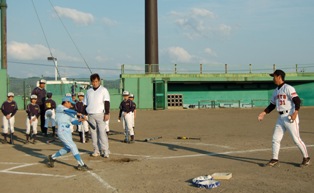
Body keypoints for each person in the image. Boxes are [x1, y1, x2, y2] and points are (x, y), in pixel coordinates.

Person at [258, 69, 310, 167]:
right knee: (275, 138)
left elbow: (297, 101)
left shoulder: (288, 88)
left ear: (279, 77)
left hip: (290, 116)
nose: (273, 78)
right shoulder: (276, 91)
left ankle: (306, 158)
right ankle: (274, 159)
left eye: (274, 76)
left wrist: (295, 113)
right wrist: (264, 113)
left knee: (296, 139)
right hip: (281, 117)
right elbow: (272, 105)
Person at [46, 96, 91, 171]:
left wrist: (81, 120)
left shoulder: (70, 112)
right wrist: (78, 113)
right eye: (70, 103)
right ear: (66, 102)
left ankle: (52, 157)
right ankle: (81, 164)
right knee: (73, 146)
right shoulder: (60, 107)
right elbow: (68, 111)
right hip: (62, 130)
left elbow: (74, 122)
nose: (71, 105)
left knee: (68, 148)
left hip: (68, 131)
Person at [84, 73, 110, 158]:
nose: (94, 83)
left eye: (96, 81)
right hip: (90, 115)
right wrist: (84, 114)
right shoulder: (88, 91)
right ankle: (96, 150)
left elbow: (107, 102)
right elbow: (85, 104)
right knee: (93, 134)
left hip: (100, 114)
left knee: (102, 133)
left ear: (99, 81)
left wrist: (107, 113)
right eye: (93, 81)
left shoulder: (103, 90)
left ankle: (105, 150)